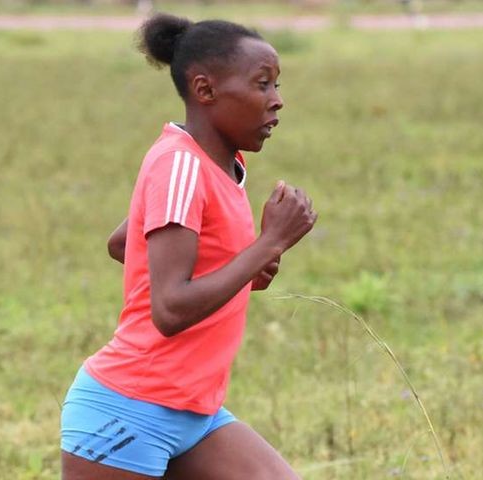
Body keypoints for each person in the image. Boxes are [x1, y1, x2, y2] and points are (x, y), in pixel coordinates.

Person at [61, 13, 317, 479]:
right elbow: (171, 309)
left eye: (277, 85)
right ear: (205, 90)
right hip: (129, 411)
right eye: (262, 84)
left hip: (195, 413)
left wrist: (242, 267)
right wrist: (268, 244)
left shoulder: (222, 165)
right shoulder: (179, 166)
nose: (277, 100)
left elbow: (125, 243)